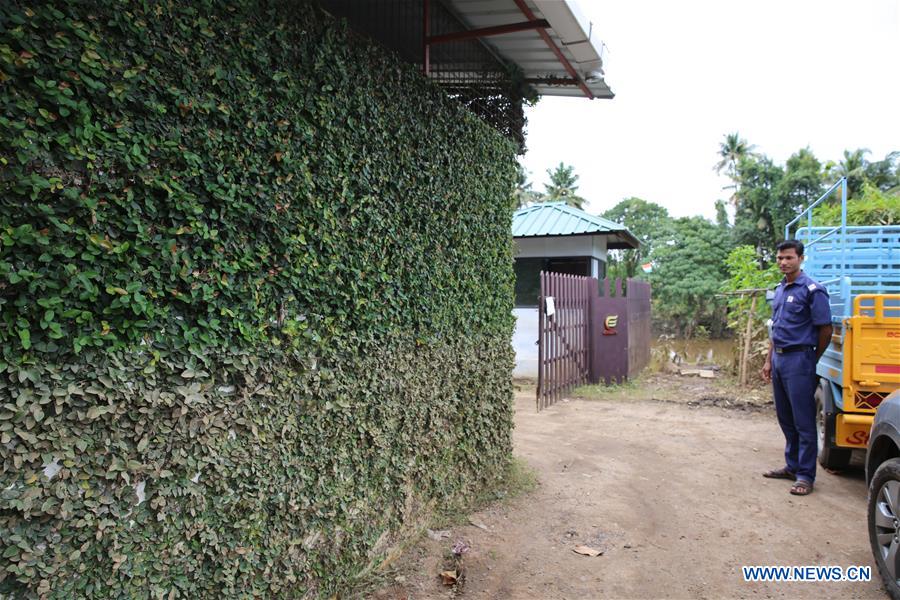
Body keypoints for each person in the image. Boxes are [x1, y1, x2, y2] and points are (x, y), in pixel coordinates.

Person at [761, 239, 833, 496]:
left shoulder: (813, 290)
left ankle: (805, 475)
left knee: (803, 421)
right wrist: (769, 359)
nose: (783, 262)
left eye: (788, 258)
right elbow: (775, 329)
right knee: (786, 418)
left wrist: (812, 357)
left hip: (799, 359)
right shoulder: (780, 289)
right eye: (780, 258)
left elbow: (825, 328)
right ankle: (792, 466)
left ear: (801, 258)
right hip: (779, 359)